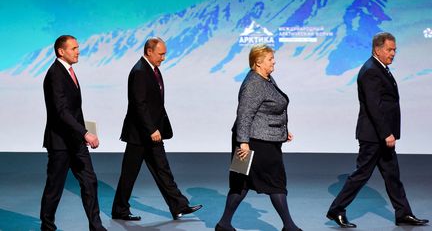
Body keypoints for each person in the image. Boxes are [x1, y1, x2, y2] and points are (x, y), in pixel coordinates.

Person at [326, 32, 429, 228]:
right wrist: (386, 133)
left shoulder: (380, 68)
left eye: (395, 50)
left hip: (381, 135)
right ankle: (336, 210)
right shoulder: (371, 71)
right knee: (361, 175)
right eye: (390, 50)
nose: (393, 54)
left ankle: (403, 214)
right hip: (374, 136)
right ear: (377, 49)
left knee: (392, 176)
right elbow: (374, 106)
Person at [111, 37, 202, 221]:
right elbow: (139, 104)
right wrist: (152, 129)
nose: (164, 58)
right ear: (149, 51)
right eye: (161, 54)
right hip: (140, 134)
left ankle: (179, 206)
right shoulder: (139, 71)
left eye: (165, 54)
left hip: (151, 134)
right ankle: (119, 209)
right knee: (129, 174)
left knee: (163, 169)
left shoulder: (152, 70)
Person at [215, 44, 302, 231]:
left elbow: (267, 111)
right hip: (255, 142)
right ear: (258, 62)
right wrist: (243, 143)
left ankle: (223, 224)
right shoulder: (254, 83)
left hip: (262, 138)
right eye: (270, 59)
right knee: (275, 182)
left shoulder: (266, 78)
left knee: (242, 183)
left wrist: (281, 130)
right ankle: (289, 226)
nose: (274, 62)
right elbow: (244, 114)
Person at [41, 35, 106, 231]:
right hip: (60, 143)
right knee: (55, 187)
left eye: (78, 47)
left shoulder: (68, 72)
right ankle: (47, 227)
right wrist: (85, 133)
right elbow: (61, 112)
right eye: (74, 48)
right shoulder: (54, 74)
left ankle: (96, 227)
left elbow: (74, 109)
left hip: (76, 141)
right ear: (61, 51)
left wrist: (82, 132)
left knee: (90, 182)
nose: (78, 51)